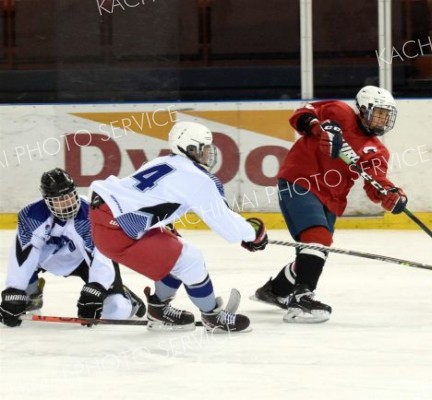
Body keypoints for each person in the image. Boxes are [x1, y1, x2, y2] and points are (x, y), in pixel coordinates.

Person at [88, 121, 267, 332]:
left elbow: (146, 197)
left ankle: (158, 310)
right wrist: (252, 233)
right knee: (190, 259)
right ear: (190, 149)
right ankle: (213, 317)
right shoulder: (200, 179)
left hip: (107, 219)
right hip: (118, 229)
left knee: (175, 254)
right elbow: (225, 223)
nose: (209, 153)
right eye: (205, 147)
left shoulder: (163, 161)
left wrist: (165, 225)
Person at [253, 85, 407, 323]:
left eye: (387, 115)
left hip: (332, 197)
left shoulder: (377, 151)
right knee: (318, 238)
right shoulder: (338, 112)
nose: (383, 119)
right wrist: (319, 127)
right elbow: (300, 115)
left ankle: (275, 291)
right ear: (364, 109)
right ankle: (302, 298)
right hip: (300, 181)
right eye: (378, 113)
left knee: (315, 249)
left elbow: (376, 182)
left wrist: (391, 194)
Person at [0, 168, 146, 328]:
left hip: (82, 261)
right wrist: (14, 291)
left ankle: (127, 299)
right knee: (25, 275)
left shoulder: (90, 213)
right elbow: (24, 253)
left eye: (69, 197)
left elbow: (101, 254)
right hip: (47, 260)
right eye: (59, 200)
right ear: (47, 200)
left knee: (116, 310)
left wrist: (96, 289)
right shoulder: (32, 215)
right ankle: (31, 295)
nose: (67, 204)